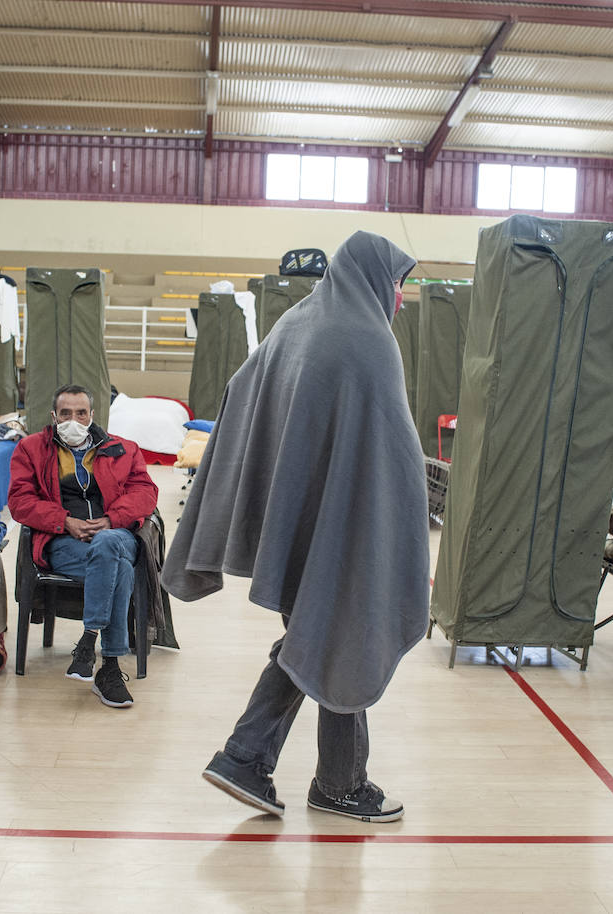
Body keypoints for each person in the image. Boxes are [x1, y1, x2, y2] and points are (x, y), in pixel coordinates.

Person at [162, 231, 429, 823]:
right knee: (332, 636)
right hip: (340, 525)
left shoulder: (298, 322)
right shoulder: (367, 340)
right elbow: (396, 450)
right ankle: (247, 757)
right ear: (374, 279)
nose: (401, 299)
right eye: (399, 284)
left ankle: (336, 781)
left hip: (296, 518)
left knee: (334, 640)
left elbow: (240, 390)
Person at [8, 384, 159, 708]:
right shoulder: (31, 449)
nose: (73, 420)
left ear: (92, 415)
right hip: (63, 541)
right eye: (65, 414)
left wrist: (110, 519)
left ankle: (88, 642)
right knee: (117, 568)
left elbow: (145, 493)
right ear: (53, 416)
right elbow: (20, 501)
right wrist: (64, 521)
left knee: (108, 546)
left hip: (116, 534)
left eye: (80, 413)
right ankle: (110, 668)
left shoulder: (125, 449)